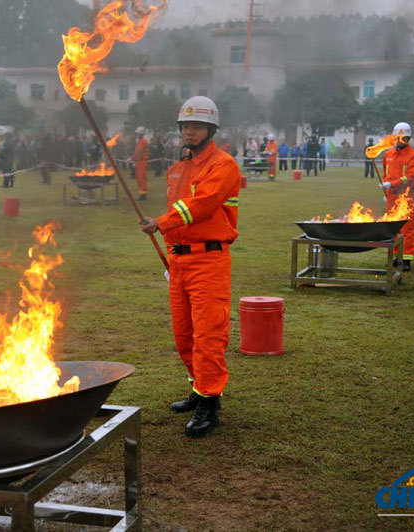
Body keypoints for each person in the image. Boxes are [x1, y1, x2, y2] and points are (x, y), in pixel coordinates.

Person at [139, 96, 240, 438]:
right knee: (183, 334)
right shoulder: (177, 169)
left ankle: (210, 401)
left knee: (208, 334)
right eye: (185, 126)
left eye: (196, 126)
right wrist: (170, 256)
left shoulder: (224, 166)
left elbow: (202, 205)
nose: (189, 131)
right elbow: (177, 216)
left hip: (209, 260)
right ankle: (198, 388)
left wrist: (161, 223)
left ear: (211, 129)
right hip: (180, 260)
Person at [379, 122, 414, 271]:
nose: (402, 141)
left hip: (406, 196)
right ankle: (396, 257)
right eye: (399, 138)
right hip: (392, 197)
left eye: (405, 138)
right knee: (392, 228)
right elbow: (385, 174)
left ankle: (407, 259)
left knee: (407, 228)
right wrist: (387, 191)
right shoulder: (388, 155)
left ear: (409, 139)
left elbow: (409, 177)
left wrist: (393, 184)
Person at [132, 126, 149, 200]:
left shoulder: (143, 141)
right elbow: (137, 152)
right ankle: (142, 193)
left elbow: (138, 152)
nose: (136, 135)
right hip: (139, 161)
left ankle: (143, 195)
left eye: (138, 133)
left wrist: (132, 158)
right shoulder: (140, 141)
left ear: (141, 134)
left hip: (142, 161)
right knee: (139, 178)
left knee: (141, 178)